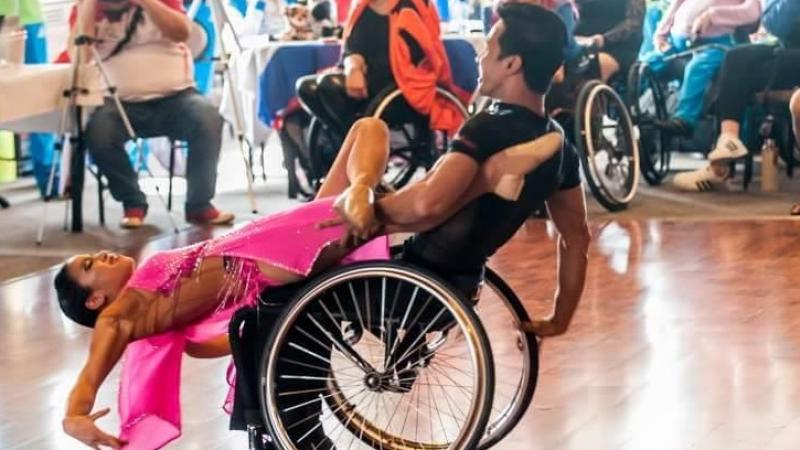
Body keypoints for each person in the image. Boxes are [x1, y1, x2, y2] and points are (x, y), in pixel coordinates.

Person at [55, 3, 590, 448]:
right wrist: (561, 316)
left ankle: (363, 194)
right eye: (90, 267)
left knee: (367, 137)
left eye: (490, 47)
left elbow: (427, 207)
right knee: (366, 130)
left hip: (302, 257)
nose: (479, 54)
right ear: (96, 300)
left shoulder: (491, 126)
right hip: (308, 263)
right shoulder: (559, 146)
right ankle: (363, 192)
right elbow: (577, 238)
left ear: (514, 63)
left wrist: (375, 207)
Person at [73, 0, 234, 228]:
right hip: (119, 104)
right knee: (99, 132)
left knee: (207, 119)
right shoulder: (89, 11)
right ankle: (132, 201)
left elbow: (182, 32)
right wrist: (87, 7)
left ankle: (199, 204)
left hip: (177, 97)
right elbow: (79, 58)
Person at [296, 0, 469, 142]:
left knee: (328, 85)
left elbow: (420, 56)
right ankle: (345, 141)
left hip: (403, 86)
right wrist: (354, 68)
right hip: (367, 82)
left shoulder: (411, 7)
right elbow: (352, 48)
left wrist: (360, 70)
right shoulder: (361, 8)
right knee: (306, 88)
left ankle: (358, 147)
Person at [672, 0, 800, 191]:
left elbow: (778, 22)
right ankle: (728, 141)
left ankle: (719, 169)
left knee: (741, 65)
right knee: (735, 58)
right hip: (789, 49)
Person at [643, 0, 762, 137]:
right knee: (647, 64)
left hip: (718, 43)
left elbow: (752, 12)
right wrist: (661, 33)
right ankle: (630, 114)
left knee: (697, 68)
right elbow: (677, 3)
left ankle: (684, 119)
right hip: (677, 43)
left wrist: (712, 16)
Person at [573, 0, 645, 82]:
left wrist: (604, 39)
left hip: (619, 47)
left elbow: (634, 22)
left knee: (592, 65)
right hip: (582, 42)